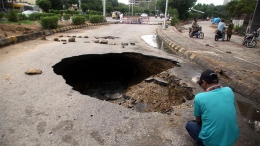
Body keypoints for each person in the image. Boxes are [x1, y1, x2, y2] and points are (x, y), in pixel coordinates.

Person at [186, 69, 240, 146]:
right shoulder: (229, 91)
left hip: (212, 142)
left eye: (201, 83)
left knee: (190, 125)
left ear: (204, 82)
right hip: (232, 138)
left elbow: (198, 120)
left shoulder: (200, 97)